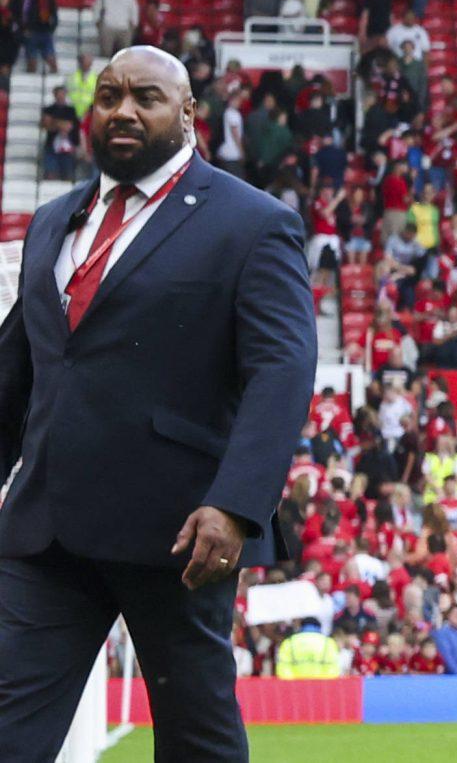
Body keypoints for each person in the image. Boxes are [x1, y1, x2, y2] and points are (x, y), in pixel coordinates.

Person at [0, 46, 318, 760]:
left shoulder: (251, 222)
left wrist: (237, 503)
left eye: (146, 96)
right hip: (45, 527)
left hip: (178, 532)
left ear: (188, 114)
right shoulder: (53, 222)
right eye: (108, 95)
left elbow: (283, 365)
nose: (122, 110)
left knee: (194, 735)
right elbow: (19, 369)